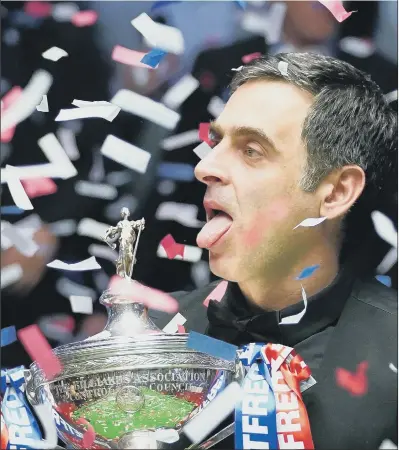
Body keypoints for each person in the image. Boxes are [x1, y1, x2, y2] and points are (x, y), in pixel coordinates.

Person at [151, 53, 398, 448]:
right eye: (216, 142)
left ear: (335, 192)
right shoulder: (152, 334)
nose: (206, 166)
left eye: (252, 150)